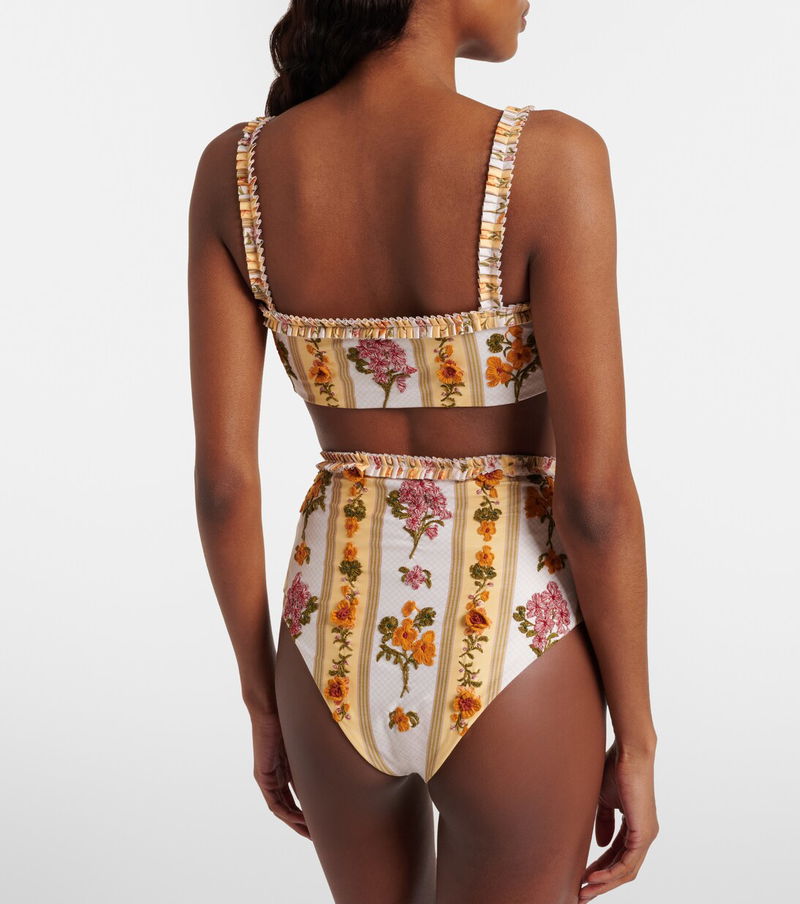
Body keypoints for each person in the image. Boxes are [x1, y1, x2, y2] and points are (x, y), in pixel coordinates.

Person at [188, 1, 658, 901]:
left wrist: (262, 699)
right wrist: (636, 736)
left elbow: (223, 485)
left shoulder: (235, 173)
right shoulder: (550, 160)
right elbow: (596, 501)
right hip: (515, 648)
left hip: (324, 647)